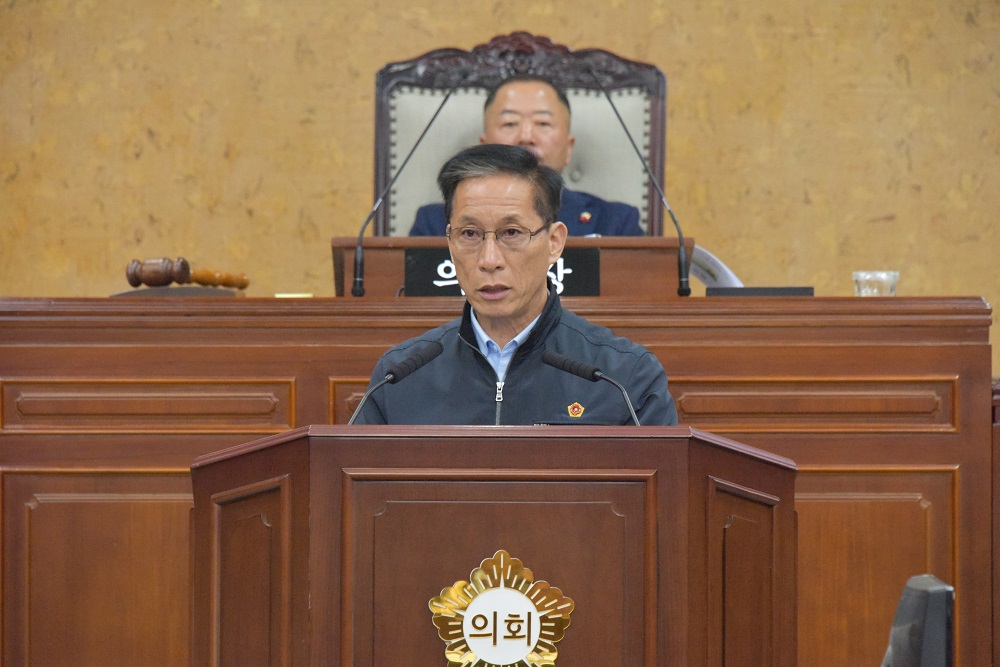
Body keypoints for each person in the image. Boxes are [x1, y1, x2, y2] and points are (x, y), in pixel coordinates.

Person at [354, 144, 677, 426]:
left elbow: (658, 493)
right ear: (450, 242)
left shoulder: (623, 374)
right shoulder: (399, 376)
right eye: (470, 234)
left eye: (512, 233)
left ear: (554, 242)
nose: (489, 259)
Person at [408, 75, 645, 237]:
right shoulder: (436, 225)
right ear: (484, 146)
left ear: (569, 148)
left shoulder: (616, 223)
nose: (526, 136)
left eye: (543, 123)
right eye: (510, 123)